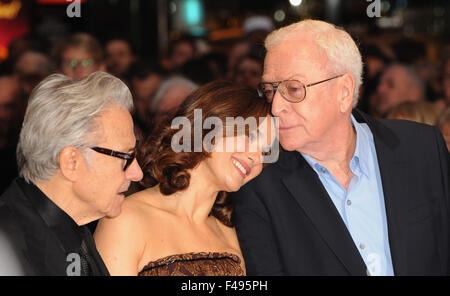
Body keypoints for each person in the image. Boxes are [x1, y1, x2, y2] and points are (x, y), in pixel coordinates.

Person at [231, 19, 450, 276]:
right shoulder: (259, 182)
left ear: (344, 91)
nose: (276, 106)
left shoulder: (422, 148)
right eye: (269, 90)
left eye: (293, 89)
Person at [94, 80, 274, 276]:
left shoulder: (227, 233)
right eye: (252, 137)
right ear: (212, 123)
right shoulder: (125, 220)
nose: (256, 158)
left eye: (265, 152)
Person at [0, 71, 143, 275]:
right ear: (71, 162)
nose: (136, 174)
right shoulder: (7, 248)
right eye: (126, 157)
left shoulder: (77, 230)